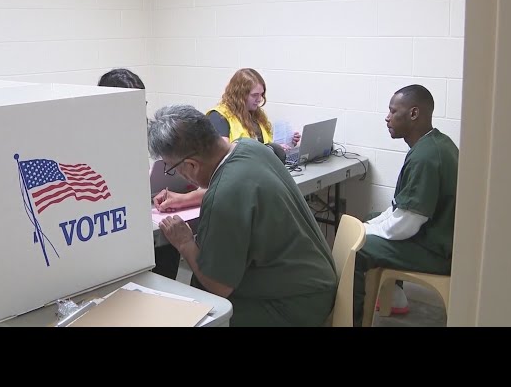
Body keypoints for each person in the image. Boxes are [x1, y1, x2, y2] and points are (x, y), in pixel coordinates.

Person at [148, 104, 338, 326]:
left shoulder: (224, 197)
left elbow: (219, 286)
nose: (176, 174)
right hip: (314, 282)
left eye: (172, 168)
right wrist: (184, 198)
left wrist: (185, 243)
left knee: (202, 311)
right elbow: (236, 187)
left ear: (191, 165)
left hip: (295, 305)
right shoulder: (249, 148)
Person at [353, 84, 459, 327]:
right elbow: (402, 209)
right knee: (372, 216)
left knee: (359, 248)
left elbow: (407, 224)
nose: (387, 118)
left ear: (413, 114)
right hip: (440, 236)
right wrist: (370, 223)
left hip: (437, 251)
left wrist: (363, 231)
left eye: (393, 111)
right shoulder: (436, 143)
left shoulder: (425, 157)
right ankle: (396, 299)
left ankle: (350, 320)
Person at [152, 68, 297, 213]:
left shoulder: (257, 116)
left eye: (261, 95)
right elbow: (223, 172)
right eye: (255, 95)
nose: (259, 99)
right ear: (240, 94)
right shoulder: (219, 117)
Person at [97, 68, 181, 281]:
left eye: (141, 104)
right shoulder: (96, 137)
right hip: (115, 223)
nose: (139, 111)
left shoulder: (143, 129)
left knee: (169, 247)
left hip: (148, 211)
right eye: (131, 104)